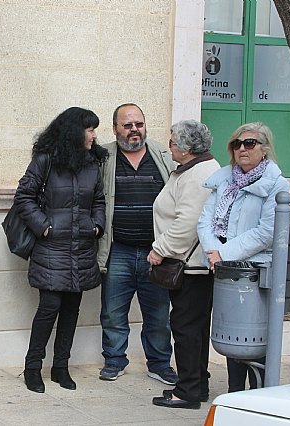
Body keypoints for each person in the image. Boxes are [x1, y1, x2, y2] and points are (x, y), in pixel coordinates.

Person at [14, 107, 107, 393]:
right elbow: (24, 196)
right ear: (74, 132)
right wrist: (44, 227)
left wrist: (97, 226)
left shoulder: (92, 163)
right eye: (90, 129)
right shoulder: (46, 160)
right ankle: (32, 367)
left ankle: (60, 367)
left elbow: (99, 200)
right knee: (49, 307)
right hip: (52, 248)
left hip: (82, 247)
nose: (94, 135)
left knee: (71, 309)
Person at [198, 122, 289, 393]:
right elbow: (206, 221)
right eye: (236, 144)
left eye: (249, 143)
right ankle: (235, 394)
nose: (242, 149)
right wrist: (214, 254)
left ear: (264, 149)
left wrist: (224, 254)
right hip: (224, 270)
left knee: (255, 340)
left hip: (257, 272)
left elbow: (267, 232)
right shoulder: (224, 180)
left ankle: (259, 397)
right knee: (232, 336)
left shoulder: (276, 184)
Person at [97, 103, 178, 385]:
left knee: (158, 315)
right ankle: (114, 360)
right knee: (112, 312)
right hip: (118, 249)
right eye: (128, 125)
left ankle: (159, 364)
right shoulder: (103, 157)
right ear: (115, 129)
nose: (134, 130)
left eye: (139, 124)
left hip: (155, 252)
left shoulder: (162, 155)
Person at [148, 120, 220, 410]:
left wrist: (160, 249)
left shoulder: (198, 174)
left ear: (187, 148)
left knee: (186, 328)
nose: (170, 148)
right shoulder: (196, 169)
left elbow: (188, 223)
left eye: (173, 143)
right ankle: (196, 385)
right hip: (195, 264)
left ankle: (188, 391)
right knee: (195, 327)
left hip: (191, 266)